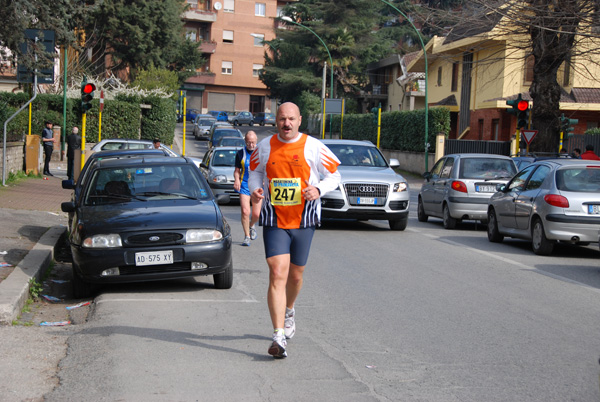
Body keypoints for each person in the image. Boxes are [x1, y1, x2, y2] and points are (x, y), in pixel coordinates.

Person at [249, 102, 341, 358]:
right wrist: (256, 190)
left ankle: (289, 310)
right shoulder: (265, 147)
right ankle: (278, 335)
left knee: (296, 276)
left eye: (291, 119)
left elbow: (335, 176)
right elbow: (254, 171)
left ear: (299, 120)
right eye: (282, 119)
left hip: (304, 219)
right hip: (274, 219)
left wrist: (319, 189)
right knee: (277, 272)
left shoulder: (314, 147)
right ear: (275, 121)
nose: (286, 123)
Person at [233, 131, 262, 246]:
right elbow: (237, 171)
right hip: (244, 184)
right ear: (245, 142)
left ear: (256, 141)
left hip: (257, 185)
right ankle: (247, 236)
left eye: (253, 142)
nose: (251, 145)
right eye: (249, 142)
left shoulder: (261, 153)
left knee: (256, 214)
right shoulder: (240, 154)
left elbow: (266, 168)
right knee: (245, 211)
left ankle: (251, 225)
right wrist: (236, 180)